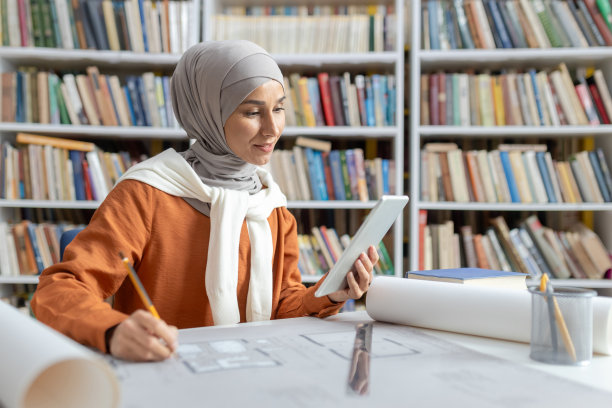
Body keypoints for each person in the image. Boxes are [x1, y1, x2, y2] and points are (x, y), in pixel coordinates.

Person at [31, 40, 379, 362]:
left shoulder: (270, 203)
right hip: (165, 371)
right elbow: (58, 290)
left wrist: (331, 293)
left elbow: (281, 308)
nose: (273, 129)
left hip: (253, 371)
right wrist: (113, 330)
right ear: (208, 113)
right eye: (252, 112)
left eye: (279, 109)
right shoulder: (147, 192)